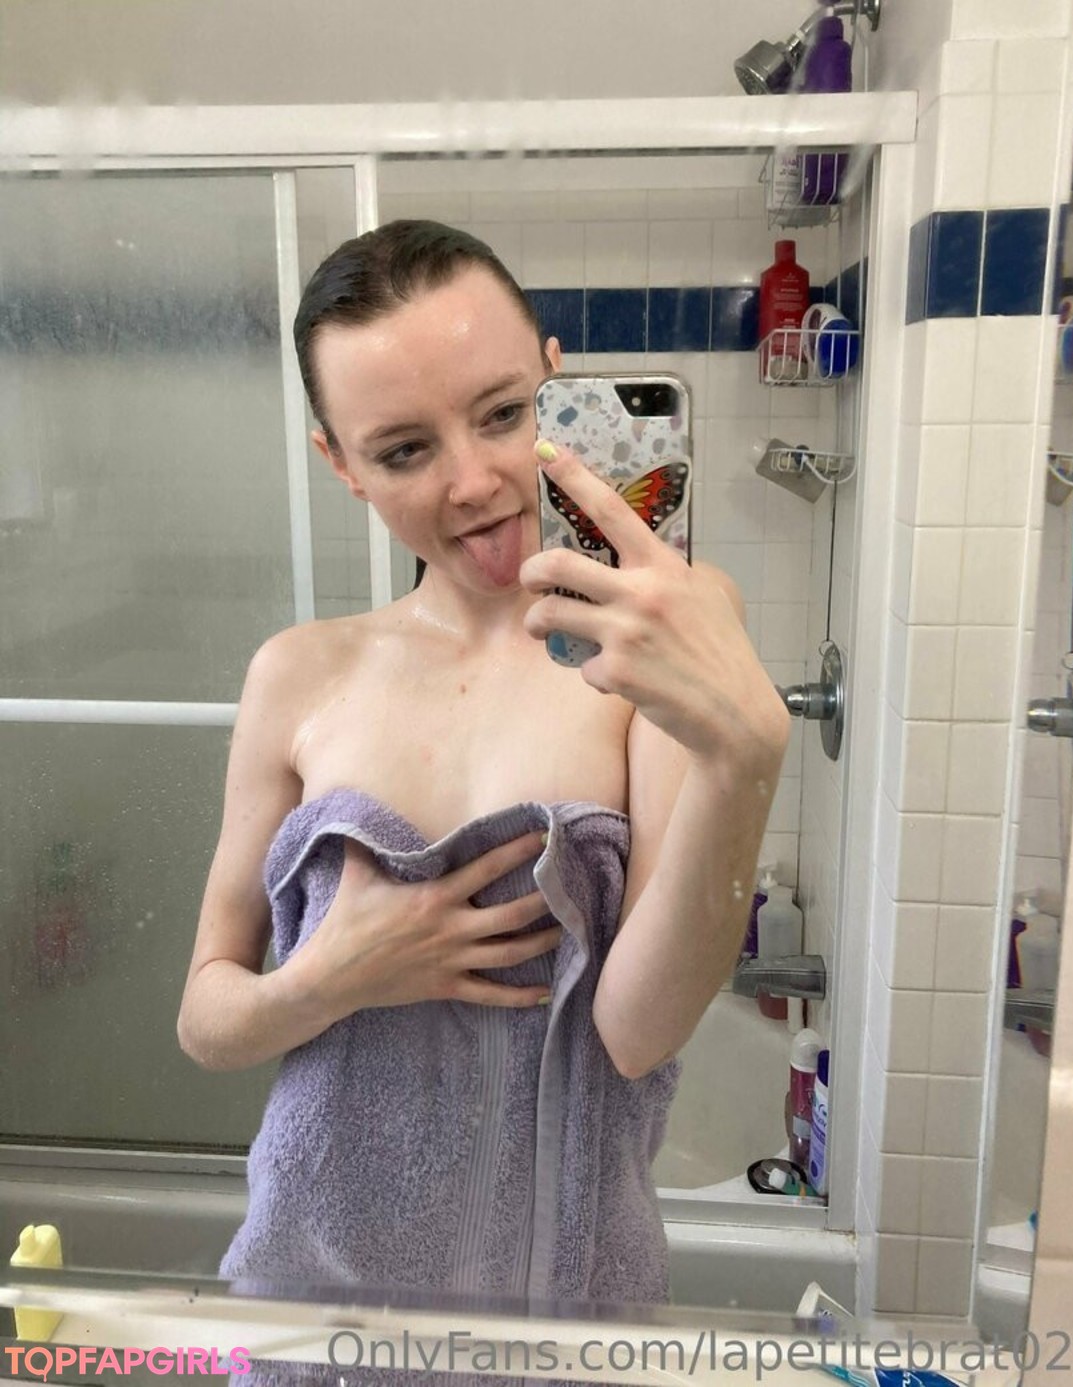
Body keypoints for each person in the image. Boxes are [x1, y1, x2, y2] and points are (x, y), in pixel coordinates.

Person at [177, 220, 789, 1370]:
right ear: (341, 463)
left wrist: (745, 759)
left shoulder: (653, 643)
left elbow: (636, 1033)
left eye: (503, 414)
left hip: (559, 1311)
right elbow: (206, 1015)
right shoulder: (297, 673)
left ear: (556, 381)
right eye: (404, 449)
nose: (474, 482)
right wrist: (329, 978)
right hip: (311, 1296)